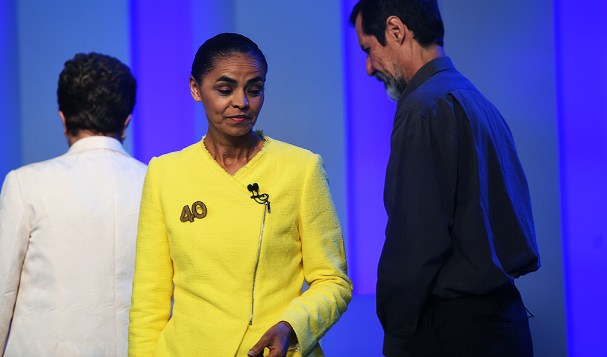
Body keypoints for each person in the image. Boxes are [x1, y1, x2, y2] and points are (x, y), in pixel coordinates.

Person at [127, 33, 352, 357]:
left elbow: (334, 281)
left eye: (254, 89)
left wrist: (293, 325)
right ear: (195, 89)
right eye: (225, 89)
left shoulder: (301, 168)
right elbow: (149, 301)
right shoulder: (166, 173)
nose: (241, 102)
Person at [349, 1, 541, 356]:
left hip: (453, 331)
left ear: (396, 30)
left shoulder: (423, 108)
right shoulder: (478, 102)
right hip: (505, 323)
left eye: (368, 49)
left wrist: (397, 337)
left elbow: (414, 243)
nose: (368, 67)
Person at [0, 53, 146, 356]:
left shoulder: (25, 184)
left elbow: (3, 293)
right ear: (126, 121)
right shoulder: (156, 183)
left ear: (62, 118)